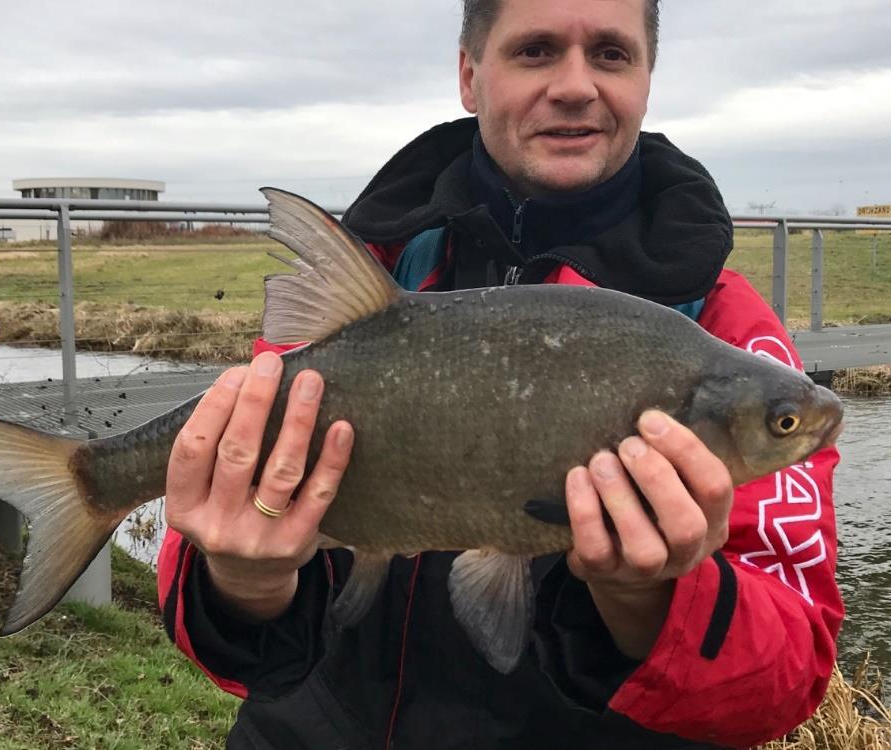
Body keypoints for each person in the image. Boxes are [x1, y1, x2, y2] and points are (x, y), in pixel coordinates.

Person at [157, 0, 843, 747]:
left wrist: (648, 596)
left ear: (647, 80)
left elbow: (787, 677)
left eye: (610, 54)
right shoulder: (363, 285)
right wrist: (245, 582)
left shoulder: (723, 331)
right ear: (469, 74)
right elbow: (223, 610)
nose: (575, 85)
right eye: (536, 50)